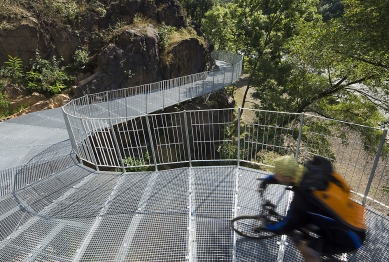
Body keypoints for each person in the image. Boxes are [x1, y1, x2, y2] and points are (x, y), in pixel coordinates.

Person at [257, 155, 366, 262]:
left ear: (288, 178)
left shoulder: (302, 201)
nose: (274, 175)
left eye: (277, 174)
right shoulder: (311, 171)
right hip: (353, 220)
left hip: (348, 238)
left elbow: (284, 227)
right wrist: (267, 181)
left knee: (305, 248)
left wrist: (267, 225)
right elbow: (286, 178)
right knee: (303, 225)